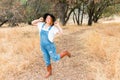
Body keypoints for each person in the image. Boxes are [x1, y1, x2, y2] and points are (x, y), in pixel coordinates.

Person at [31, 13, 71, 78]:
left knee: (55, 58)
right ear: (45, 19)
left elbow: (61, 33)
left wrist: (58, 26)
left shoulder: (53, 28)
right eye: (47, 18)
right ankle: (49, 72)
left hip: (50, 46)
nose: (48, 19)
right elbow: (32, 23)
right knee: (46, 59)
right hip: (42, 46)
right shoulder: (41, 25)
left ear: (52, 20)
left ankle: (65, 52)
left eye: (49, 18)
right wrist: (38, 20)